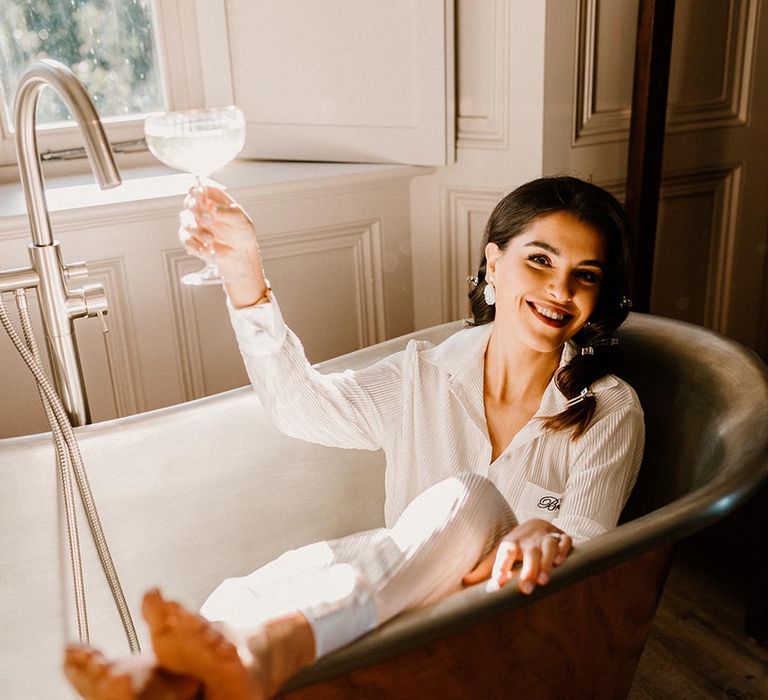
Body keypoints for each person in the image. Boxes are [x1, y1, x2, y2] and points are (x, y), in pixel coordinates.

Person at [63, 176, 644, 699]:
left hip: (510, 628)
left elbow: (591, 554)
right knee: (252, 592)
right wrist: (244, 272)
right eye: (539, 260)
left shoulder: (608, 409)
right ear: (494, 265)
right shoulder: (421, 375)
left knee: (469, 500)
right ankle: (162, 682)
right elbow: (299, 408)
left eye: (584, 275)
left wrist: (549, 531)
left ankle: (269, 649)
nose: (559, 289)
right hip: (392, 609)